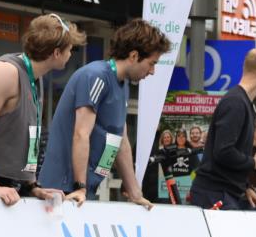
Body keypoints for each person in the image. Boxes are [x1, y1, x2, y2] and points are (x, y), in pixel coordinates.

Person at [0, 13, 84, 204]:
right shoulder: (5, 71)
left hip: (8, 186)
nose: (71, 55)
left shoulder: (34, 77)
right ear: (56, 53)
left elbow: (23, 135)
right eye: (70, 49)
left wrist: (32, 186)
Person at [39, 19, 168, 207]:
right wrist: (80, 186)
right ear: (134, 56)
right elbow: (81, 134)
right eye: (151, 63)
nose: (152, 71)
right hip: (63, 190)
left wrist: (135, 193)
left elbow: (121, 141)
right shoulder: (96, 76)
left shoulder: (122, 85)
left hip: (86, 191)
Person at [189, 48, 256, 211]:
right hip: (215, 193)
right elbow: (223, 151)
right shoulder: (236, 102)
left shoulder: (244, 103)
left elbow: (230, 152)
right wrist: (255, 162)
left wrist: (245, 187)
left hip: (225, 192)